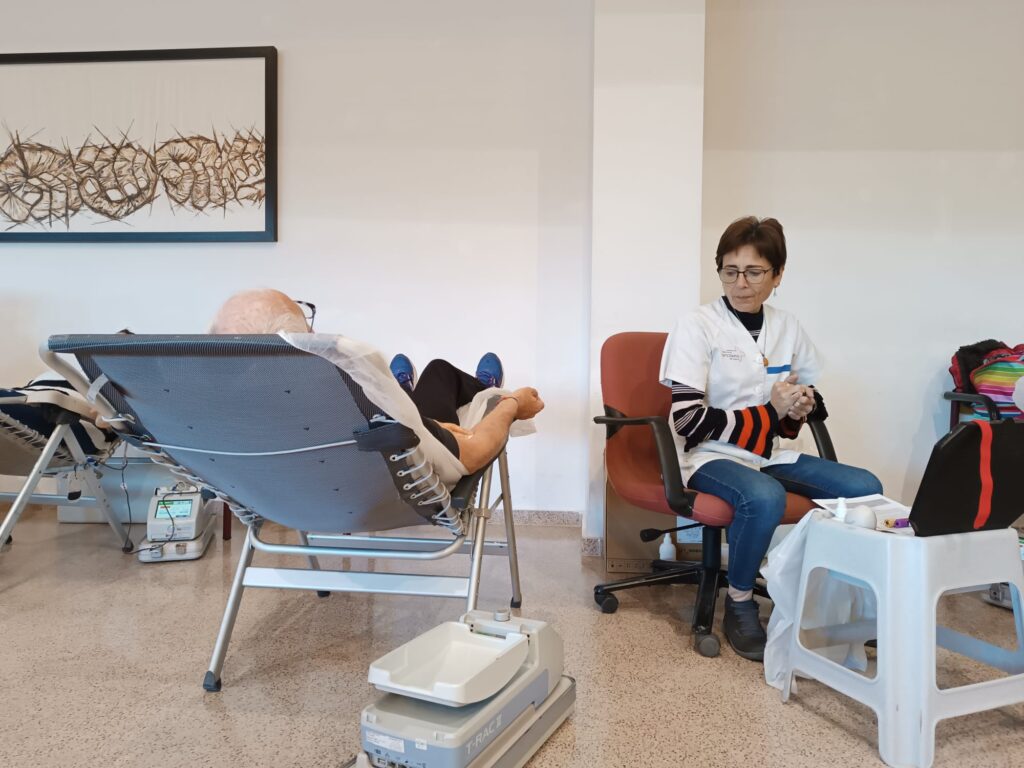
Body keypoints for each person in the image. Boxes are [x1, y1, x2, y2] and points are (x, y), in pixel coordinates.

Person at [660, 216, 882, 662]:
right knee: (763, 497)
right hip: (709, 456)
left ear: (777, 275)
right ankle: (739, 601)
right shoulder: (697, 325)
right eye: (730, 271)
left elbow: (808, 398)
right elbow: (687, 421)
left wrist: (802, 404)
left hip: (769, 454)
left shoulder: (787, 327)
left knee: (865, 487)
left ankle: (839, 605)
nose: (740, 283)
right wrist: (771, 412)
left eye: (754, 272)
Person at [209, 288, 544, 474]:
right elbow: (472, 454)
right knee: (440, 371)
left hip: (294, 500)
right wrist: (513, 404)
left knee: (427, 390)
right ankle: (482, 389)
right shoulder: (343, 390)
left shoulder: (225, 413)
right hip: (401, 478)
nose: (313, 329)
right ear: (301, 342)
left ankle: (403, 398)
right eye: (305, 322)